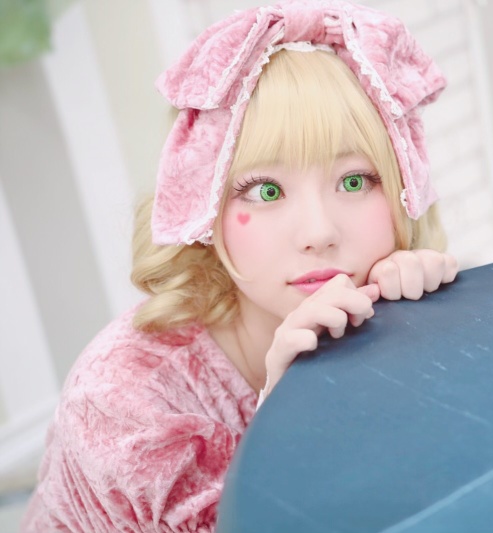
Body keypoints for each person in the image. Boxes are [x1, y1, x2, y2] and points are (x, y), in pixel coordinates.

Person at [21, 1, 457, 531]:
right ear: (203, 209)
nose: (319, 232)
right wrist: (291, 418)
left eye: (354, 181)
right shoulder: (124, 404)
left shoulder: (373, 306)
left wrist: (431, 337)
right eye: (266, 190)